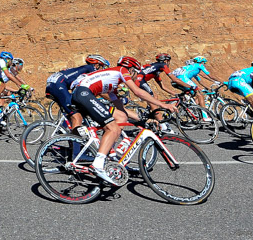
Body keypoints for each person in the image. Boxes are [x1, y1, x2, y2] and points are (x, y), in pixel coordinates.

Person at [72, 56, 178, 184]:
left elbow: (122, 111)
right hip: (83, 93)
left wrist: (143, 120)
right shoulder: (122, 70)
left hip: (81, 93)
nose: (135, 77)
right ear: (132, 69)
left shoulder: (112, 83)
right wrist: (163, 105)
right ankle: (98, 164)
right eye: (136, 73)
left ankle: (108, 152)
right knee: (112, 128)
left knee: (119, 118)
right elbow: (138, 92)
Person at [45, 55, 110, 131]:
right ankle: (75, 140)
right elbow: (98, 90)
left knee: (76, 108)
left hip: (53, 84)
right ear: (97, 65)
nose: (103, 70)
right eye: (103, 67)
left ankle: (63, 129)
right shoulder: (91, 70)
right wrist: (112, 98)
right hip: (58, 85)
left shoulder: (83, 69)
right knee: (77, 116)